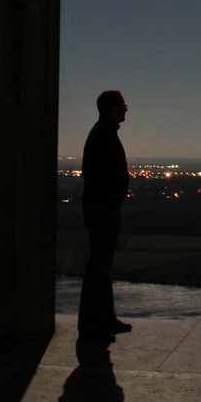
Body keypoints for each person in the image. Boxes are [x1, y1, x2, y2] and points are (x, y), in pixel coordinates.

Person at [77, 90, 133, 343]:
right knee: (98, 266)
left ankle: (104, 319)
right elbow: (98, 176)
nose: (126, 109)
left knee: (101, 265)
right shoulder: (103, 135)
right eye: (122, 105)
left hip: (102, 209)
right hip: (103, 212)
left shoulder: (103, 132)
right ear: (112, 108)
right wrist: (110, 206)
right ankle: (92, 325)